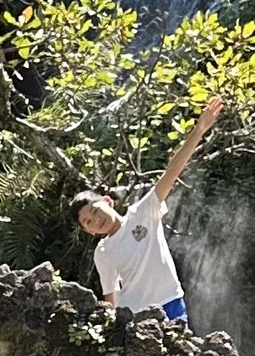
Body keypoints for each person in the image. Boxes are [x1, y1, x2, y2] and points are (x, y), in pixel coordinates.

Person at [77, 95, 227, 327]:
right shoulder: (103, 252)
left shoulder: (143, 211)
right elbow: (110, 296)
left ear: (107, 201)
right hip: (136, 316)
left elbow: (171, 173)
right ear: (88, 232)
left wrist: (199, 129)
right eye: (87, 222)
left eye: (94, 211)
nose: (95, 221)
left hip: (171, 302)